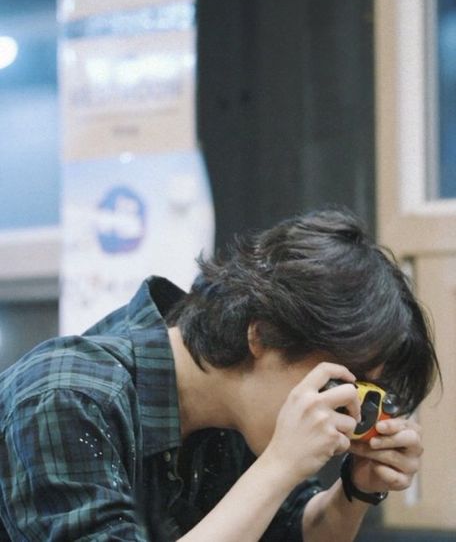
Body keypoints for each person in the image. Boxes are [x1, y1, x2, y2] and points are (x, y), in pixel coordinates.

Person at [0, 209, 439, 541]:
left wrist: (356, 490)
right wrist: (278, 466)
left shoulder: (238, 413)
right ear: (262, 333)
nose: (343, 415)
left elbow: (294, 529)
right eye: (338, 383)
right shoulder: (67, 398)